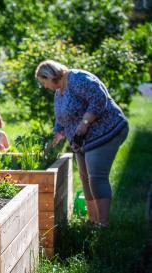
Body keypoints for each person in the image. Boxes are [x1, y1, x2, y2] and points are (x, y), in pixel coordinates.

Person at [35, 60, 129, 228]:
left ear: (50, 76)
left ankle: (103, 224)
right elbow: (61, 120)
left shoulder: (77, 78)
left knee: (96, 177)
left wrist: (85, 123)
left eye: (44, 82)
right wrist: (54, 139)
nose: (45, 86)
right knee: (84, 178)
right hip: (82, 140)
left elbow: (99, 97)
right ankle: (92, 221)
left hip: (105, 132)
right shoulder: (58, 93)